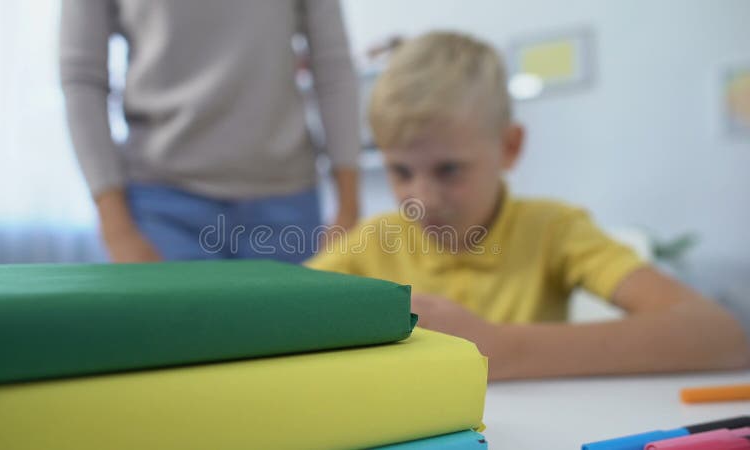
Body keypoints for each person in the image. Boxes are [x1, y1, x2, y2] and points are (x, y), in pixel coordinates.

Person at [306, 31, 750, 380]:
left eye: (449, 170)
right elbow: (285, 311)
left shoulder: (554, 230)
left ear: (510, 147)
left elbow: (721, 335)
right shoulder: (372, 240)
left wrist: (500, 348)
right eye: (401, 172)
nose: (420, 199)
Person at [60, 1, 360, 263]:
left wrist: (348, 208)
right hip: (160, 207)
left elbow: (332, 63)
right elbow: (82, 77)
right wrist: (116, 227)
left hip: (286, 203)